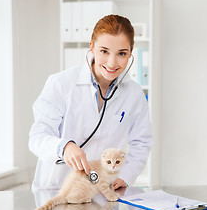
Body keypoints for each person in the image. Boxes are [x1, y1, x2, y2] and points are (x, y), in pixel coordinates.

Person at [29, 14, 152, 191]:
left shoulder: (134, 93)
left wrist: (126, 176)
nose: (112, 62)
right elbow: (37, 137)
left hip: (101, 191)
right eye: (104, 51)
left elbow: (141, 141)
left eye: (122, 54)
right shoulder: (61, 83)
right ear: (92, 47)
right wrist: (64, 147)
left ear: (131, 53)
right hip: (57, 189)